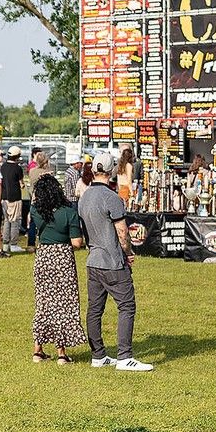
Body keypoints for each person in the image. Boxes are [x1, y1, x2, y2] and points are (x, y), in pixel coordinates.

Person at [77, 152, 153, 372]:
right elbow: (122, 232)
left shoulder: (85, 197)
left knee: (94, 309)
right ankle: (125, 356)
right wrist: (128, 252)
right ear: (111, 172)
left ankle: (98, 355)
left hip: (93, 260)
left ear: (93, 170)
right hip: (112, 260)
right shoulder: (112, 198)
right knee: (127, 305)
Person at [29, 175, 86, 364]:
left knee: (43, 303)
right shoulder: (68, 213)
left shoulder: (36, 211)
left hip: (43, 257)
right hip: (62, 258)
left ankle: (38, 350)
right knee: (64, 304)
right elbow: (76, 242)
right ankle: (62, 353)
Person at [0, 146, 25, 254]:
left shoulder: (3, 167)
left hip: (4, 197)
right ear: (17, 156)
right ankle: (13, 244)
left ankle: (5, 244)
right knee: (14, 221)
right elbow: (21, 183)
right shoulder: (17, 168)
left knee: (6, 221)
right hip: (15, 197)